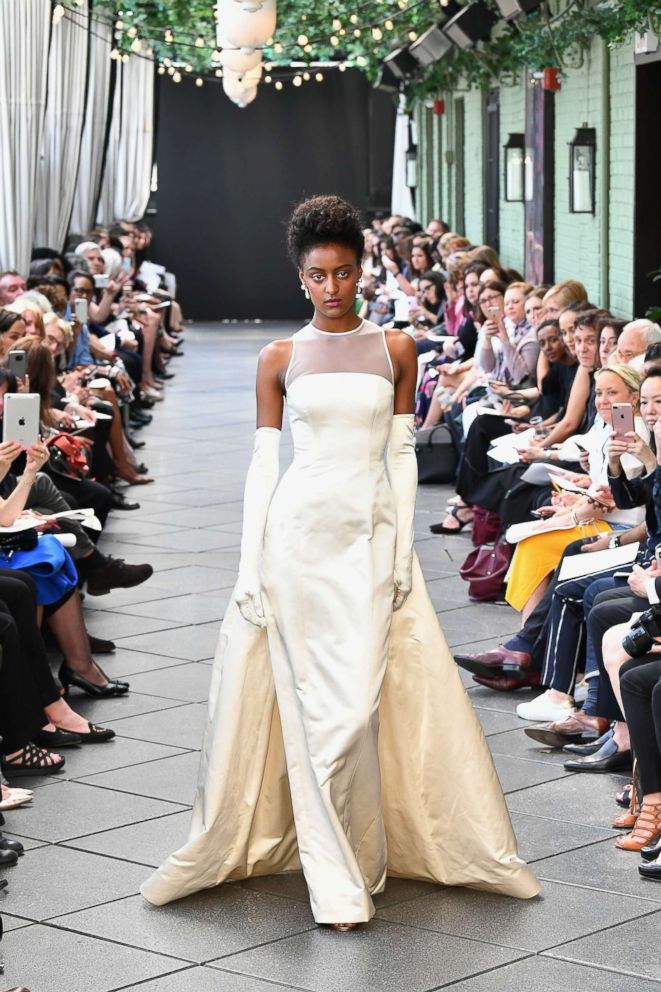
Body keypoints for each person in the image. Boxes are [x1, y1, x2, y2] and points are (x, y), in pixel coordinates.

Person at [141, 194, 538, 926]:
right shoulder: (279, 356)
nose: (332, 288)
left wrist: (399, 550)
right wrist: (247, 563)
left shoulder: (395, 349)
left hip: (367, 541)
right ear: (300, 278)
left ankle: (361, 852)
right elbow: (264, 466)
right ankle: (337, 878)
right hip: (295, 540)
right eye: (318, 276)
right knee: (308, 710)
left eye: (344, 273)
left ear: (361, 271)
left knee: (354, 713)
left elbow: (398, 456)